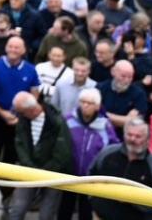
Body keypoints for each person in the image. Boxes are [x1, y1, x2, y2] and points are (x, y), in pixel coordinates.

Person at [8, 92, 73, 220]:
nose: (17, 115)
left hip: (53, 174)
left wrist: (45, 170)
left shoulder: (57, 121)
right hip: (28, 170)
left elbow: (62, 152)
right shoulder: (23, 119)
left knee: (46, 214)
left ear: (31, 110)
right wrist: (29, 165)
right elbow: (20, 144)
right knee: (17, 209)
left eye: (20, 112)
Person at [59, 88, 118, 220]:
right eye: (83, 101)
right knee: (64, 208)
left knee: (85, 211)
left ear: (97, 106)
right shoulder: (68, 120)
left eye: (89, 103)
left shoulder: (105, 125)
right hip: (69, 174)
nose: (85, 105)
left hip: (91, 178)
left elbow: (113, 148)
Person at [89, 118, 152, 220]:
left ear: (148, 139)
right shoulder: (107, 153)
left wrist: (131, 198)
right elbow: (90, 176)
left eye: (138, 136)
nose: (132, 139)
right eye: (129, 134)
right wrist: (93, 200)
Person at [0, 37, 40, 164]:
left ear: (23, 50)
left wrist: (20, 115)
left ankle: (5, 183)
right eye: (10, 46)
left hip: (19, 120)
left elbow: (34, 95)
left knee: (12, 152)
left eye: (17, 47)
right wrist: (2, 113)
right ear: (6, 48)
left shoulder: (31, 70)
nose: (13, 50)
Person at [98, 59, 148, 135]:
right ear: (113, 72)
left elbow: (132, 123)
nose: (126, 80)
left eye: (130, 77)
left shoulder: (139, 94)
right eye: (123, 76)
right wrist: (122, 120)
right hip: (100, 133)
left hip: (124, 137)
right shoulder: (100, 88)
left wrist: (104, 115)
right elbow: (93, 114)